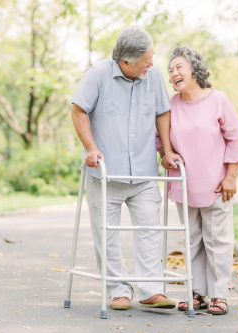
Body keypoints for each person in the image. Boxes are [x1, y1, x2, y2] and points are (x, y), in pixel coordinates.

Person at [70, 25, 183, 311]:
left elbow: (162, 112)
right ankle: (118, 290)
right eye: (146, 59)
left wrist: (167, 151)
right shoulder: (96, 75)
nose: (153, 63)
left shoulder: (153, 76)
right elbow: (78, 110)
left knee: (150, 229)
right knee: (106, 235)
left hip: (144, 173)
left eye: (152, 56)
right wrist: (91, 148)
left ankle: (151, 291)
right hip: (106, 174)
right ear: (125, 62)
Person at [156, 46, 238, 315]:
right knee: (192, 239)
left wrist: (231, 176)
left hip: (217, 184)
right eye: (170, 70)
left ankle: (219, 295)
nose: (173, 73)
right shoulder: (170, 105)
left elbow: (236, 140)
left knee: (217, 240)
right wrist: (165, 153)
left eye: (179, 67)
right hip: (183, 184)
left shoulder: (218, 100)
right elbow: (159, 139)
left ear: (194, 69)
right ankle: (197, 293)